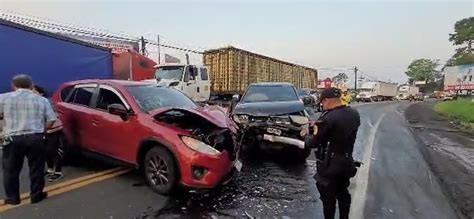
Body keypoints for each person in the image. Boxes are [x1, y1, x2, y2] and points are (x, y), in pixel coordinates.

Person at [0, 75, 56, 205]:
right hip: (35, 137)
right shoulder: (41, 100)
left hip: (11, 137)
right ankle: (36, 195)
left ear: (13, 85)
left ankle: (12, 198)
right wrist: (42, 130)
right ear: (31, 85)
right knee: (36, 167)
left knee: (10, 169)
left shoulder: (3, 98)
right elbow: (51, 119)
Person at [307, 87, 361, 219]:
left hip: (329, 165)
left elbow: (314, 142)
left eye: (322, 103)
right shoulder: (354, 113)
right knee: (343, 193)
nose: (322, 106)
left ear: (326, 100)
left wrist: (308, 134)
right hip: (347, 161)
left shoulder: (327, 118)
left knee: (328, 199)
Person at [33, 85, 64, 182]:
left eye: (34, 92)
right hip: (41, 130)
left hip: (53, 129)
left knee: (53, 150)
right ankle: (50, 169)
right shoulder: (33, 103)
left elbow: (52, 115)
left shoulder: (47, 101)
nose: (32, 94)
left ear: (41, 93)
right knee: (45, 151)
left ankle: (58, 171)